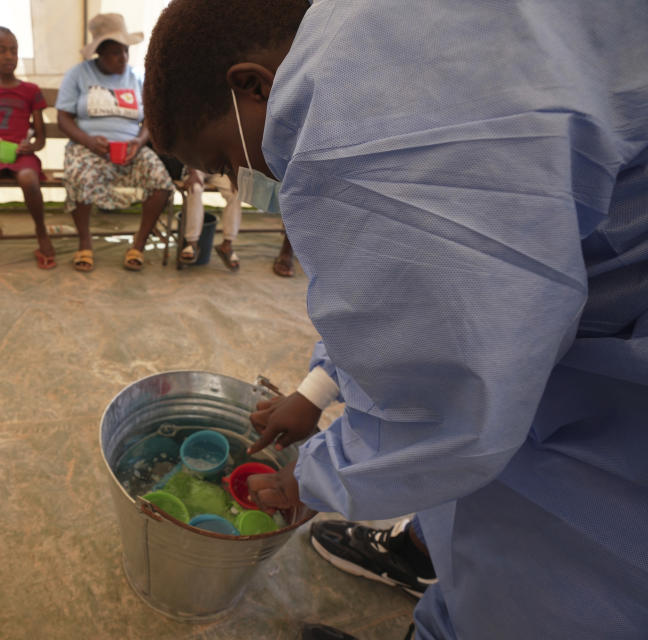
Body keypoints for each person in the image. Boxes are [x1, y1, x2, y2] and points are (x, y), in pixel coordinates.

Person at [144, 1, 648, 639]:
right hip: (601, 312)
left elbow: (453, 398)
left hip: (617, 423)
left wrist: (316, 477)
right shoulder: (377, 35)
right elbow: (414, 291)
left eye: (223, 160)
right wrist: (318, 389)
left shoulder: (343, 120)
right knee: (480, 552)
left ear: (254, 85)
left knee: (542, 583)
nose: (243, 180)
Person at [55, 13, 173, 272]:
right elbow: (63, 118)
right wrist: (87, 140)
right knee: (77, 174)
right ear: (99, 53)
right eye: (115, 53)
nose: (123, 58)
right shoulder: (79, 74)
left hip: (130, 149)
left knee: (161, 182)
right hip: (88, 148)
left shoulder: (137, 78)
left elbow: (150, 121)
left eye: (125, 51)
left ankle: (138, 245)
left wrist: (139, 142)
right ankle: (84, 242)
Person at [0, 26, 54, 269]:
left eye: (13, 51)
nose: (8, 56)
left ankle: (41, 232)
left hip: (21, 155)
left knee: (28, 179)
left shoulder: (30, 91)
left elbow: (40, 139)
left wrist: (30, 146)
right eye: (2, 50)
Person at [179, 169, 241, 270]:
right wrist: (192, 171)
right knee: (195, 188)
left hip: (219, 169)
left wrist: (234, 175)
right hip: (195, 166)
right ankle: (192, 243)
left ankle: (226, 245)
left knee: (235, 193)